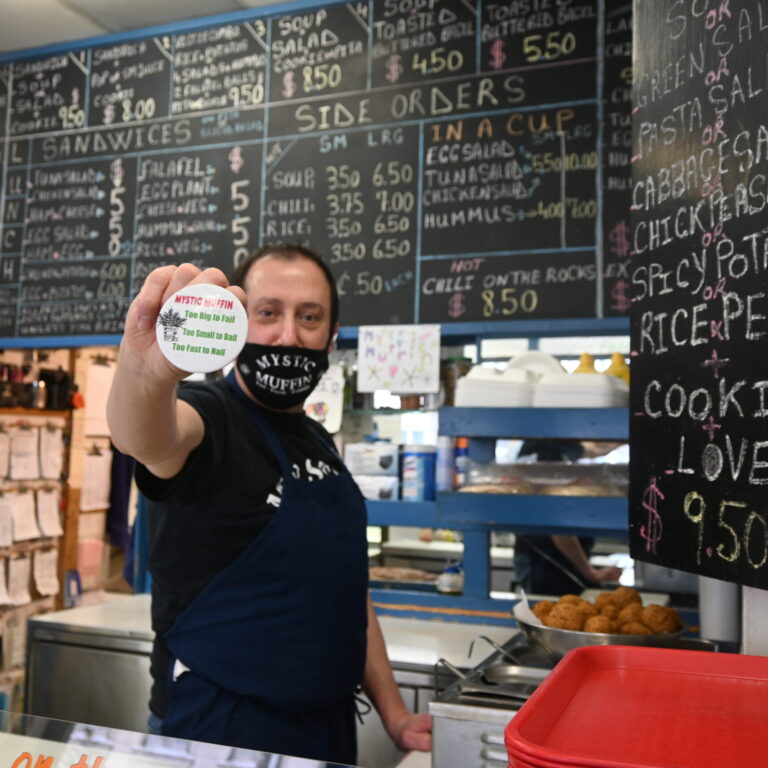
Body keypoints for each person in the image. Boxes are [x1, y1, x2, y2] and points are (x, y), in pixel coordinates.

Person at [107, 245, 431, 763]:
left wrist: (394, 714)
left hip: (325, 731)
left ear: (332, 333)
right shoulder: (211, 416)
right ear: (236, 324)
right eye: (268, 313)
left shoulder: (317, 439)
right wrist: (146, 376)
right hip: (219, 732)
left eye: (309, 317)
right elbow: (148, 439)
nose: (288, 336)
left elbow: (346, 590)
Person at [512, 440, 622, 595]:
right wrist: (590, 573)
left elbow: (596, 448)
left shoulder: (560, 443)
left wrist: (626, 438)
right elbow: (558, 524)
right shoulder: (546, 451)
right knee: (548, 613)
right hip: (546, 560)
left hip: (560, 557)